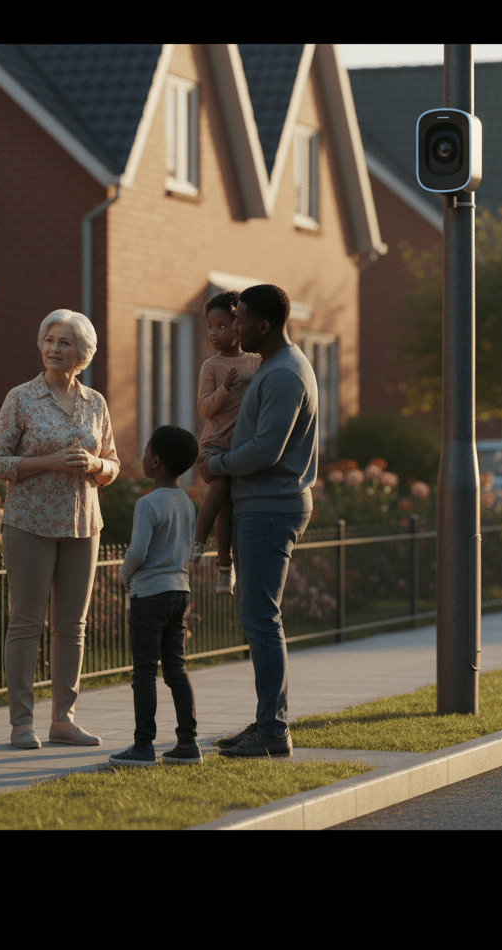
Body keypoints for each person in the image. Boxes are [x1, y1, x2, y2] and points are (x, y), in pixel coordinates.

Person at [0, 309, 120, 750]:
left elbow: (114, 464)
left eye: (64, 343)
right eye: (48, 340)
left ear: (82, 353)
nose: (53, 349)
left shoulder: (95, 402)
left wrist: (96, 465)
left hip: (83, 524)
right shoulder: (21, 398)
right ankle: (21, 723)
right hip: (30, 523)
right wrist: (49, 463)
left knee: (72, 626)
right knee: (26, 623)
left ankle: (64, 719)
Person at [199, 283, 318, 759]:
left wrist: (218, 466)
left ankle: (273, 730)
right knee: (259, 619)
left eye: (242, 319)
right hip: (262, 504)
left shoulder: (285, 374)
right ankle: (267, 720)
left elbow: (267, 450)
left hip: (271, 506)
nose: (235, 325)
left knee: (261, 620)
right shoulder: (273, 366)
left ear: (264, 326)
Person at [110, 425, 202, 767]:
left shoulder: (148, 503)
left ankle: (142, 745)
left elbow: (137, 551)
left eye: (147, 452)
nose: (143, 457)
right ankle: (187, 743)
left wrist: (124, 574)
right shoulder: (186, 503)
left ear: (157, 461)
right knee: (176, 668)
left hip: (150, 594)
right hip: (180, 591)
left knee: (144, 671)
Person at [191, 290, 261, 595]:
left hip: (242, 447)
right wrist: (224, 390)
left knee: (228, 508)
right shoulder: (211, 366)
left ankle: (224, 569)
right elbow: (204, 408)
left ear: (239, 324)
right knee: (219, 486)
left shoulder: (256, 361)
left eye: (222, 325)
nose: (215, 332)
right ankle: (196, 542)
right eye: (210, 326)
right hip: (214, 445)